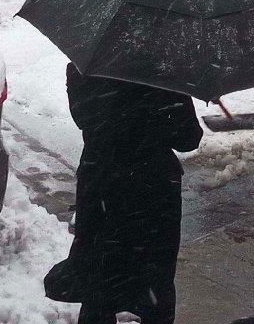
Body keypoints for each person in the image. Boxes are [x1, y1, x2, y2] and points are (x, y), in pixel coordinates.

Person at [45, 64, 202, 324]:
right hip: (153, 192)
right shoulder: (164, 73)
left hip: (101, 185)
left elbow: (83, 117)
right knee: (155, 282)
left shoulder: (86, 68)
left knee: (99, 280)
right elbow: (188, 138)